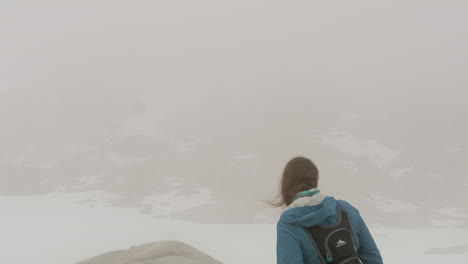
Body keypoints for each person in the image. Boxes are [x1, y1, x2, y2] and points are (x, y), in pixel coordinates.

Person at [270, 156, 383, 264]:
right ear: (317, 179)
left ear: (286, 184)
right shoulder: (346, 209)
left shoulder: (290, 224)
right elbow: (373, 258)